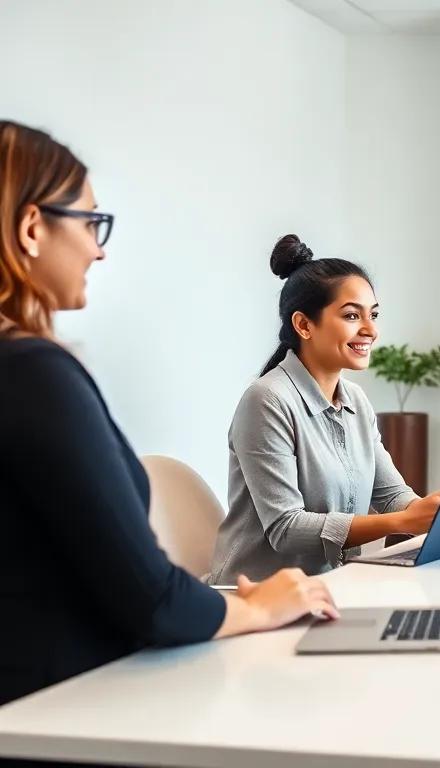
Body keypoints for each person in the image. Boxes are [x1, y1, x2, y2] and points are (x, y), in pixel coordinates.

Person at [0, 121, 339, 709]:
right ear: (32, 228)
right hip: (64, 710)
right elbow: (150, 599)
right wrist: (260, 606)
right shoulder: (33, 373)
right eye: (90, 222)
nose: (99, 248)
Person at [205, 236, 440, 584]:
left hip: (329, 589)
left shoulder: (356, 400)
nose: (371, 330)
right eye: (352, 315)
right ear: (304, 325)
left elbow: (391, 494)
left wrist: (429, 509)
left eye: (374, 315)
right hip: (256, 596)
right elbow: (286, 528)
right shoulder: (267, 400)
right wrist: (401, 522)